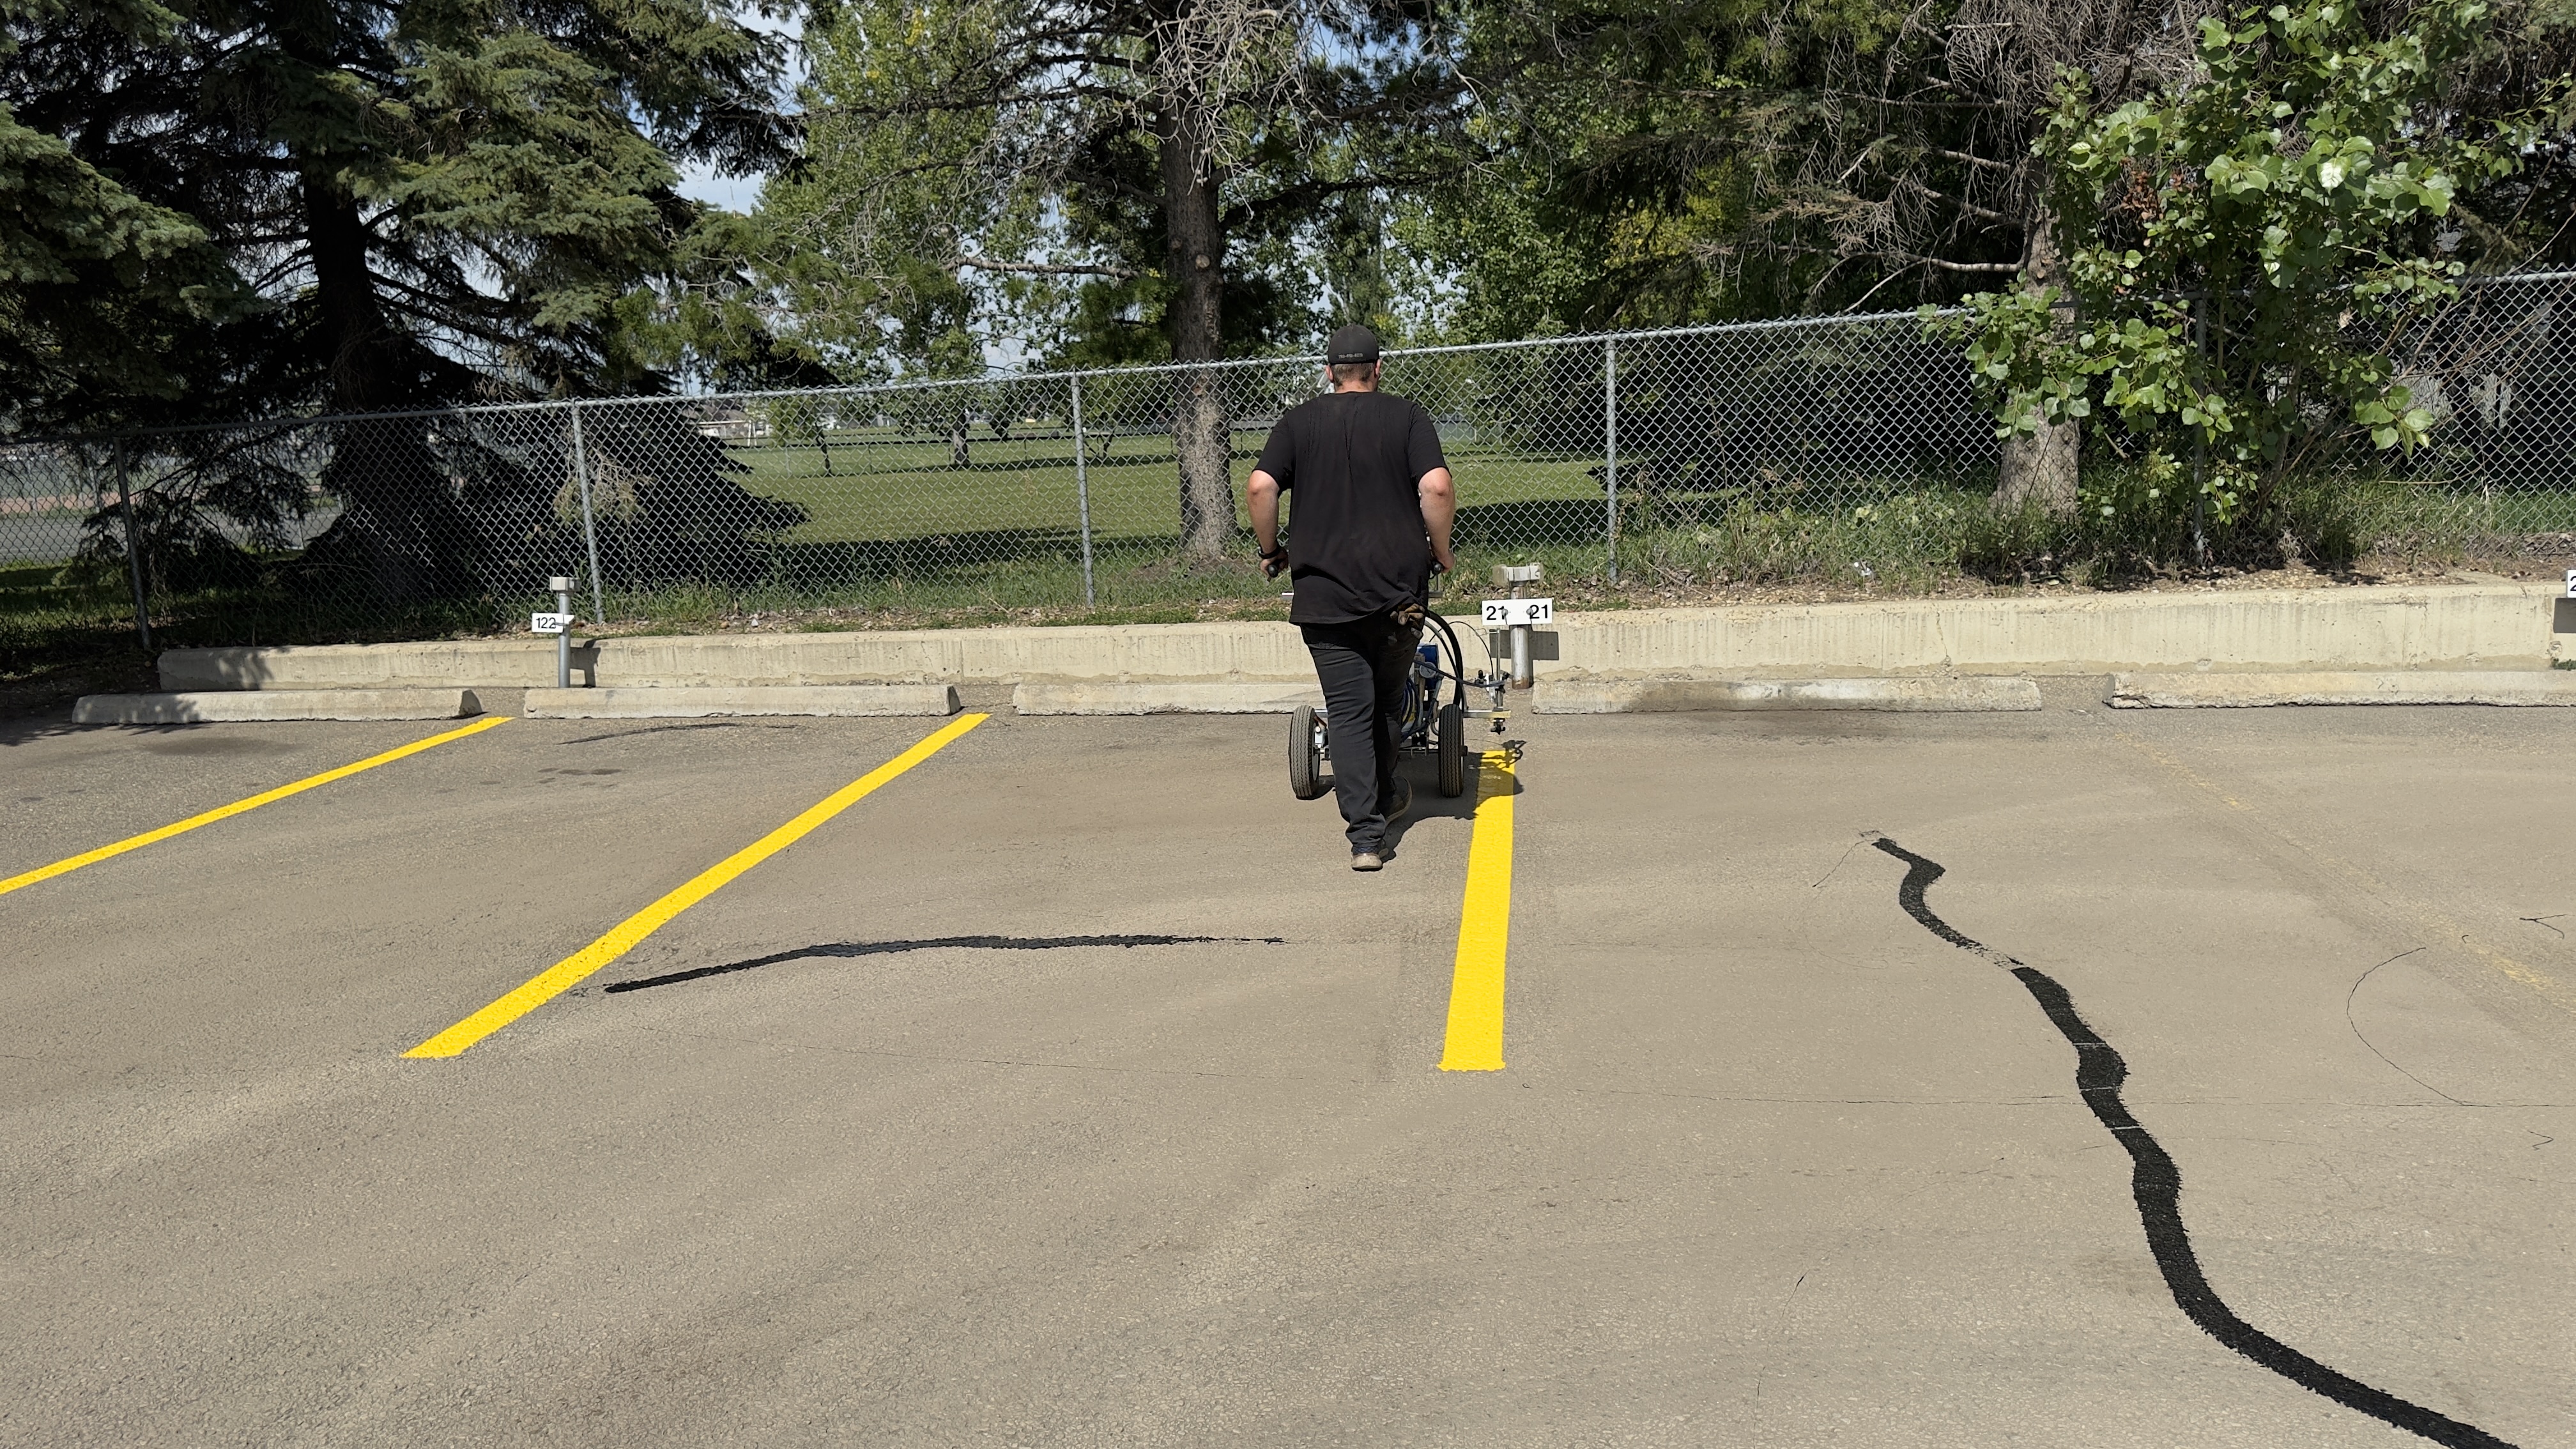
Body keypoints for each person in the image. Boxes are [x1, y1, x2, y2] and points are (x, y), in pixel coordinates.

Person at [1246, 324, 1456, 871]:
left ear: (1329, 371)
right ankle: (1386, 800)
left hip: (1325, 594)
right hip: (1398, 595)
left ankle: (1366, 838)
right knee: (1387, 699)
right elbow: (1435, 486)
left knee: (1347, 708)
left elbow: (1260, 486)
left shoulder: (1297, 422)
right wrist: (1442, 549)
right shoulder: (1406, 416)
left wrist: (1271, 549)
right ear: (1378, 370)